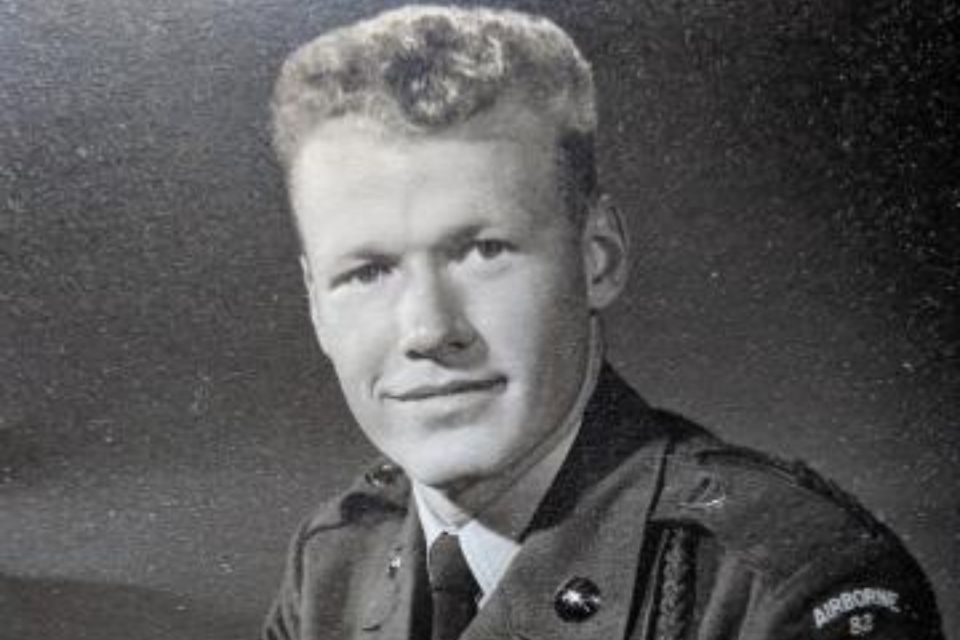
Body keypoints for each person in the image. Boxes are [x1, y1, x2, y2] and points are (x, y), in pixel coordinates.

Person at [261, 6, 943, 639]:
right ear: (316, 303)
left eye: (482, 251)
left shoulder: (785, 590)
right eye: (366, 272)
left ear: (599, 258)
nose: (429, 330)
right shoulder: (333, 565)